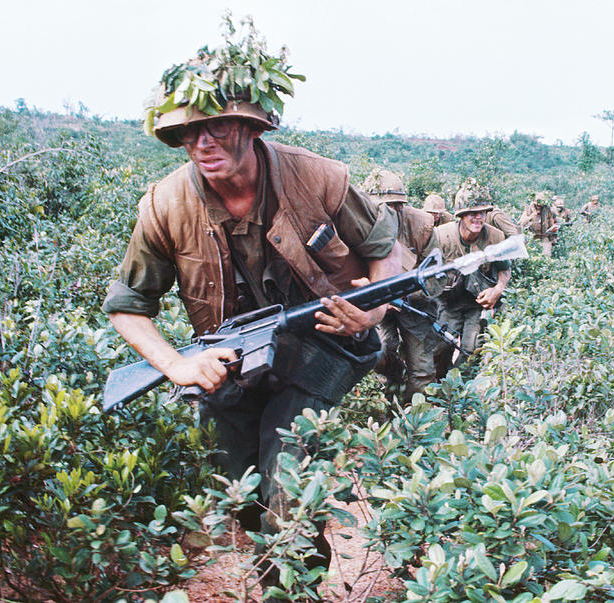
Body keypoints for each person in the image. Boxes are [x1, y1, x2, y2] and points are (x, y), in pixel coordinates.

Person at [101, 36, 401, 581]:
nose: (203, 141)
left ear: (253, 125)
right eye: (190, 130)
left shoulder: (317, 177)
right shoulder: (165, 205)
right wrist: (178, 365)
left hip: (319, 349)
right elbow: (128, 307)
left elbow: (388, 250)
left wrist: (373, 313)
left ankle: (298, 588)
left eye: (218, 126)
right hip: (232, 365)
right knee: (242, 495)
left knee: (286, 489)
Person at [363, 169, 438, 405]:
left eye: (394, 206)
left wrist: (403, 296)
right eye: (379, 207)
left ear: (401, 206)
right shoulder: (357, 225)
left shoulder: (422, 227)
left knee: (422, 368)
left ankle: (413, 422)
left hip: (416, 305)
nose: (386, 213)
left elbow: (436, 279)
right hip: (375, 305)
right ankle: (393, 387)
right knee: (379, 353)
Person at [433, 188, 511, 379]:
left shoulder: (495, 237)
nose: (478, 218)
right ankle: (439, 385)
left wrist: (498, 289)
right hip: (447, 302)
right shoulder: (440, 236)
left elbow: (504, 269)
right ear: (460, 215)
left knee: (471, 348)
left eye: (482, 213)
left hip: (477, 302)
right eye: (472, 213)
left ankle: (458, 390)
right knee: (441, 346)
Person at [453, 177, 521, 238]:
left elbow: (517, 239)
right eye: (471, 213)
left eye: (480, 212)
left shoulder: (496, 217)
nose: (478, 216)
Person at [519, 191, 558, 258]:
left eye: (541, 204)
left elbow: (551, 220)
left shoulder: (547, 209)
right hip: (532, 238)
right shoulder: (528, 209)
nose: (539, 206)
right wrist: (530, 217)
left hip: (544, 237)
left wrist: (553, 230)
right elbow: (521, 223)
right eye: (537, 204)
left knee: (547, 256)